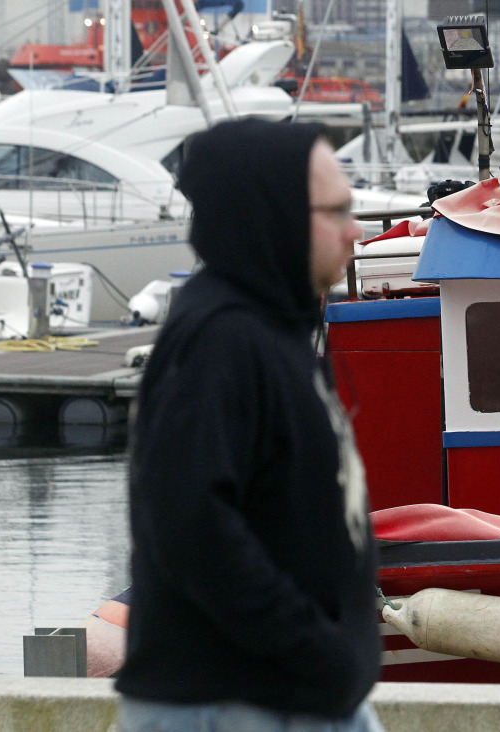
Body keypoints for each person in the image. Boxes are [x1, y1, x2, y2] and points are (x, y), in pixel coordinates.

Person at [116, 118, 380, 731]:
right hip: (235, 705)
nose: (356, 230)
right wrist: (315, 648)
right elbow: (191, 524)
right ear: (276, 216)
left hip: (291, 696)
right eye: (337, 210)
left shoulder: (268, 331)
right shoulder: (219, 342)